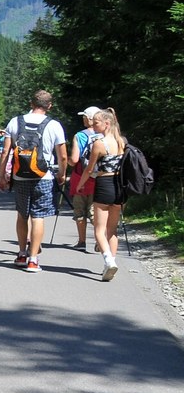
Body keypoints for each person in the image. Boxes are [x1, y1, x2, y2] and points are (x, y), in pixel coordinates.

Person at [0, 90, 68, 273]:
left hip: (20, 176)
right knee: (38, 216)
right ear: (49, 105)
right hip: (43, 176)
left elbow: (5, 152)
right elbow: (63, 156)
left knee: (22, 214)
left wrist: (1, 176)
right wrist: (61, 174)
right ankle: (33, 260)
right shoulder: (54, 125)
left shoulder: (15, 121)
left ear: (31, 103)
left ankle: (21, 254)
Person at [74, 108, 126, 281]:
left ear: (107, 123)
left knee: (99, 230)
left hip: (104, 185)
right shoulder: (122, 141)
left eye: (96, 122)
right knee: (112, 230)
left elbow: (89, 169)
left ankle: (109, 261)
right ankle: (111, 262)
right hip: (119, 186)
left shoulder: (99, 144)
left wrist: (79, 186)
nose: (93, 125)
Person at [67, 106, 101, 252]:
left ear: (89, 118)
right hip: (99, 178)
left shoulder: (80, 135)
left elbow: (74, 160)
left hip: (80, 176)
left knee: (80, 211)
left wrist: (67, 162)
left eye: (84, 116)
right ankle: (101, 239)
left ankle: (82, 241)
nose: (83, 119)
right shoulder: (105, 135)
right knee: (95, 211)